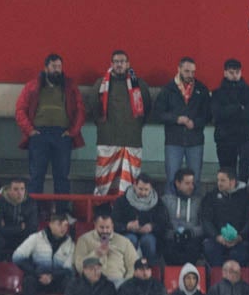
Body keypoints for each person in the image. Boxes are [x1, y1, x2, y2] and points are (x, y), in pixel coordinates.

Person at [13, 53, 86, 198]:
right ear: (46, 68)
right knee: (36, 177)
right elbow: (20, 110)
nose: (57, 70)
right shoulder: (32, 86)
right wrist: (30, 131)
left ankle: (62, 212)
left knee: (62, 177)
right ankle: (35, 212)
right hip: (39, 135)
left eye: (59, 66)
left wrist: (72, 132)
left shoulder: (70, 87)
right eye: (54, 66)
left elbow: (80, 111)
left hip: (62, 135)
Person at [88, 51, 152, 195]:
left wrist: (136, 126)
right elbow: (93, 108)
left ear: (128, 64)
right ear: (111, 64)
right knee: (104, 184)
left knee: (129, 184)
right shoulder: (100, 84)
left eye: (122, 61)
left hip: (132, 140)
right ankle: (102, 211)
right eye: (116, 61)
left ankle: (127, 211)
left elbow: (146, 109)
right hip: (107, 140)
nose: (119, 64)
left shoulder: (139, 85)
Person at [210, 60, 249, 185]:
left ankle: (242, 196)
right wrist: (238, 107)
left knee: (244, 174)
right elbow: (217, 114)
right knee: (227, 173)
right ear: (225, 73)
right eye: (231, 72)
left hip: (246, 137)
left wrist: (228, 110)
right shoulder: (217, 93)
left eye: (237, 72)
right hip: (225, 138)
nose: (234, 76)